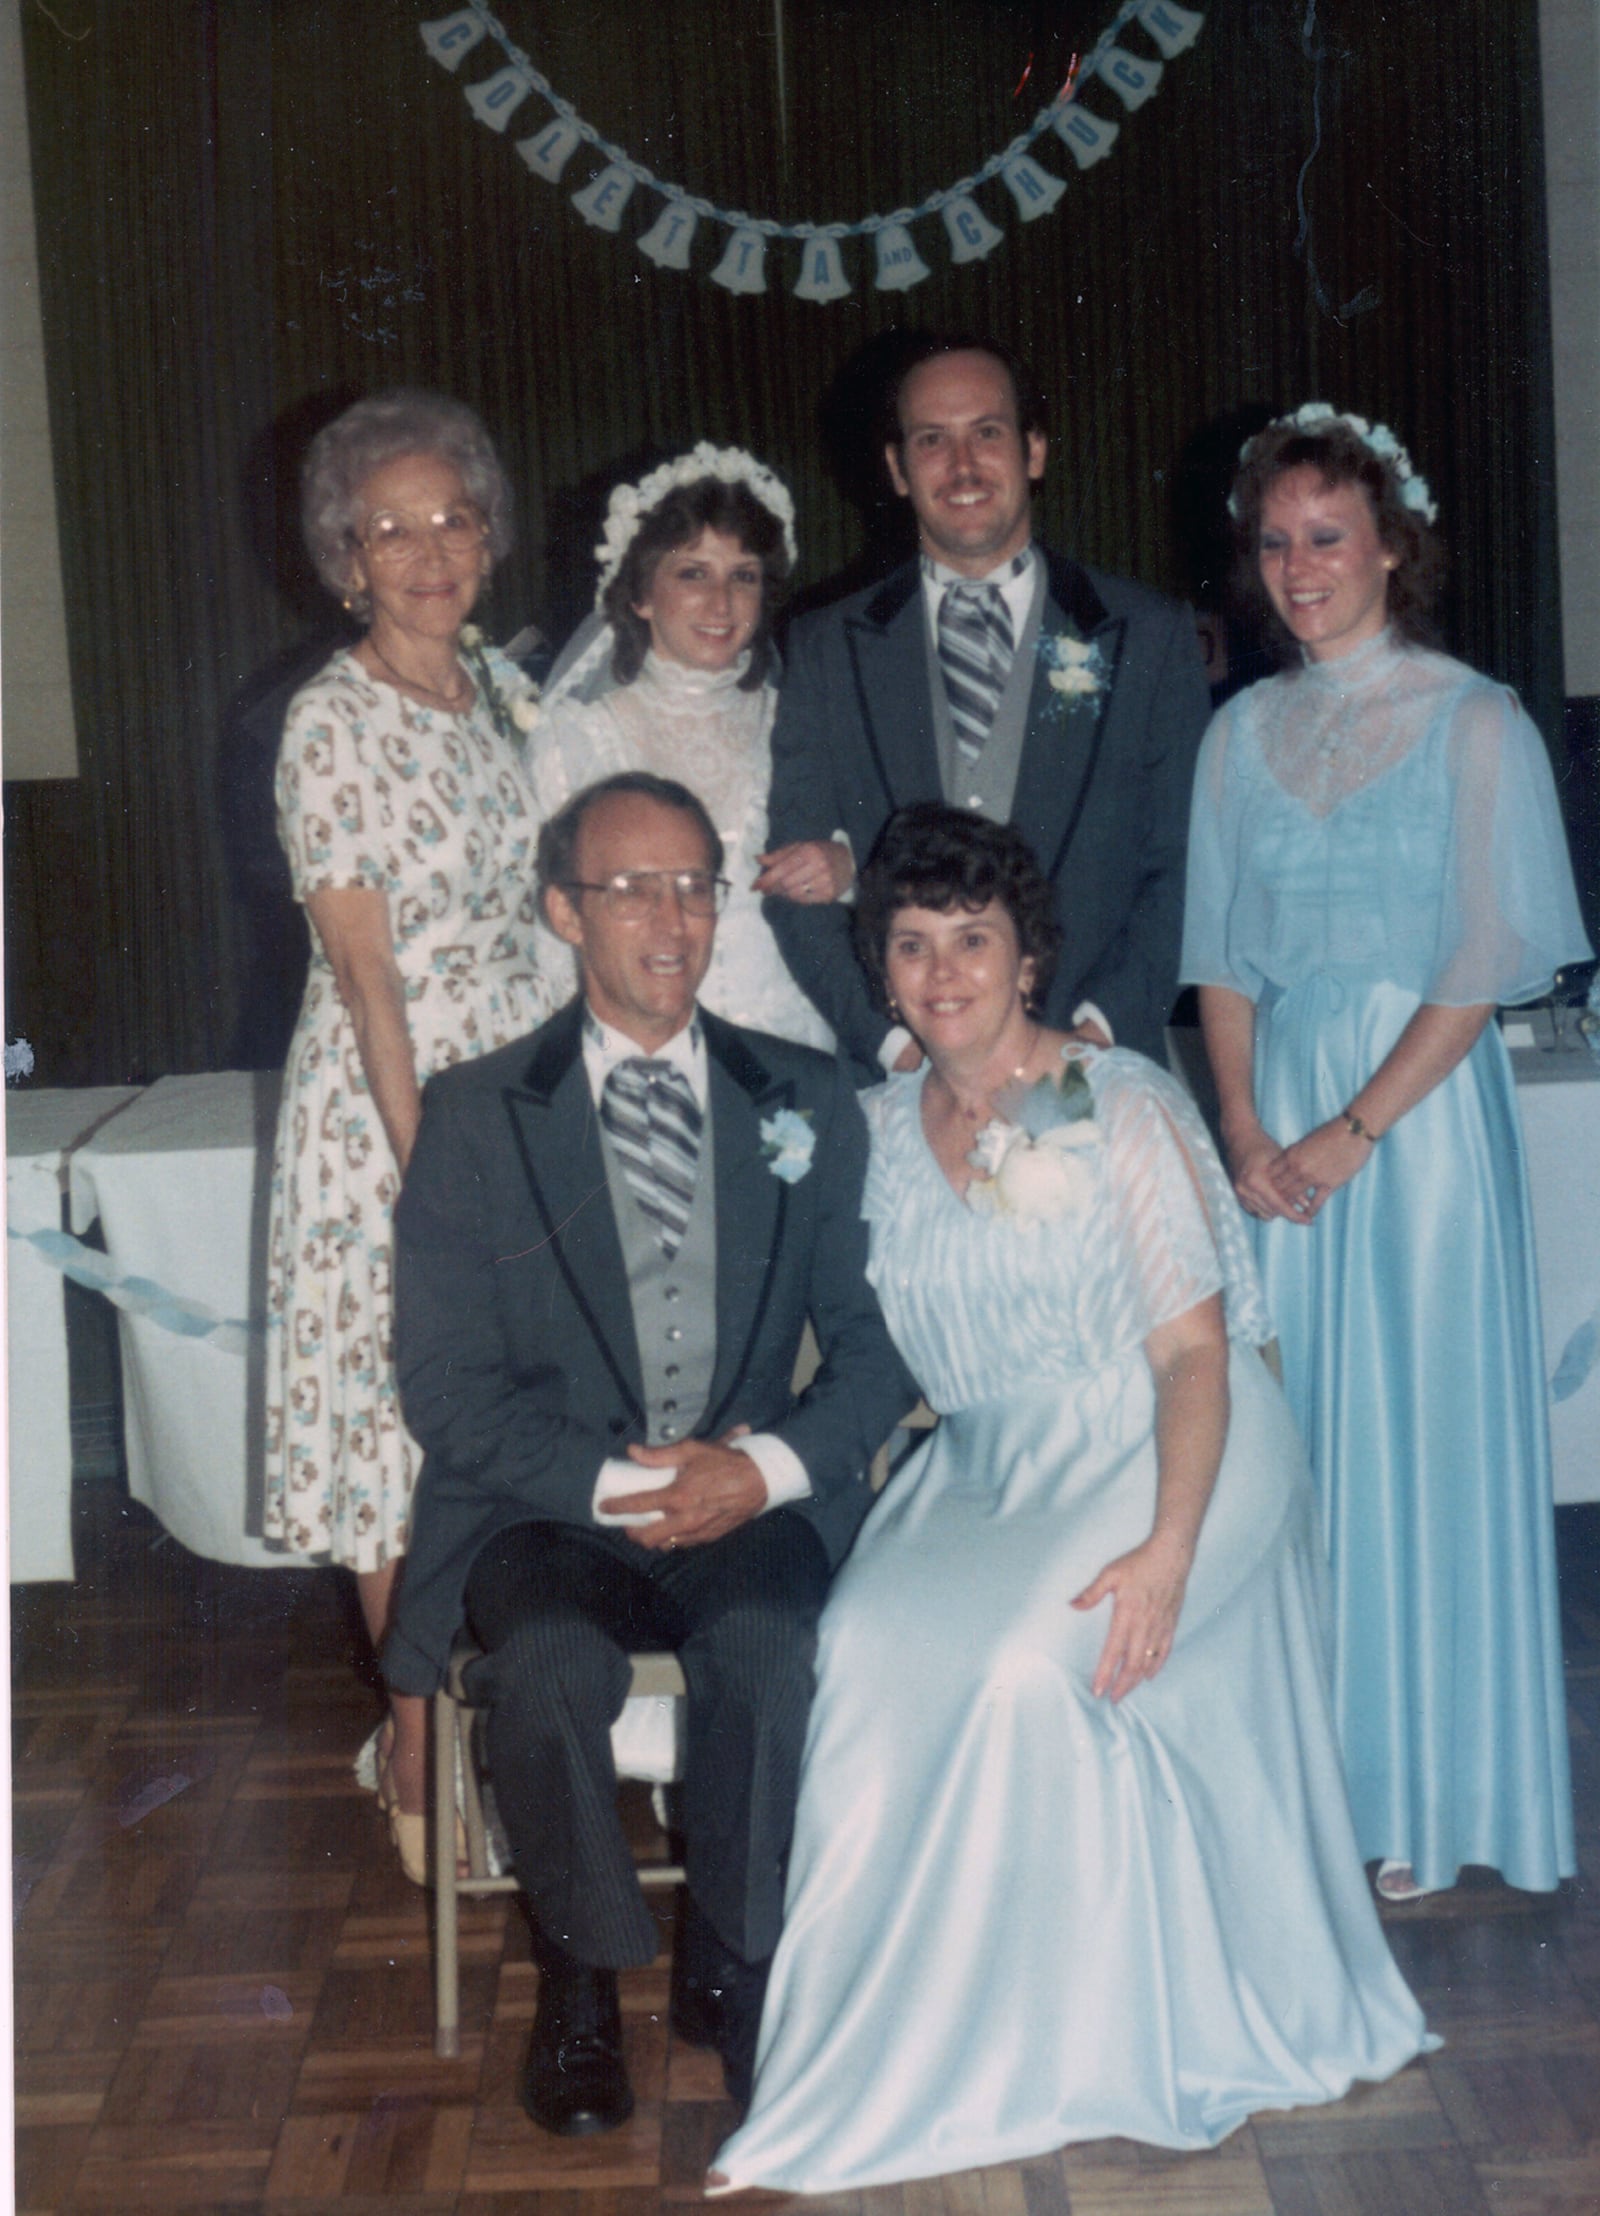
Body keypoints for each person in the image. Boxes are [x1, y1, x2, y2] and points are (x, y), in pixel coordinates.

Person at [709, 805, 1433, 2194]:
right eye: (910, 945)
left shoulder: (1125, 1103)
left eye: (970, 940)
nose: (941, 972)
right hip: (983, 1469)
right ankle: (890, 2052)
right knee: (859, 1653)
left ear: (1027, 958)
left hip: (1177, 1450)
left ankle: (1063, 2041)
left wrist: (1168, 1551)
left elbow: (1194, 1352)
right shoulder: (863, 1127)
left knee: (1024, 1670)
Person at [385, 771, 917, 2136]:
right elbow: (449, 1390)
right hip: (544, 1516)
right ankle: (577, 1991)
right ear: (566, 909)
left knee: (763, 1651)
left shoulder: (804, 1095)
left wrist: (765, 1471)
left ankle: (733, 1973)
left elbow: (874, 1351)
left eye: (694, 884)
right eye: (630, 889)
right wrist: (627, 1485)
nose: (671, 921)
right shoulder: (478, 1112)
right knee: (550, 1667)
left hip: (751, 1508)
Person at [1181, 403, 1591, 1903]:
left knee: (1414, 1446)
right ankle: (1315, 1791)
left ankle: (1428, 1789)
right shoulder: (1237, 735)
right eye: (1277, 542)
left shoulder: (1476, 721)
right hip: (1276, 1123)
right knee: (1298, 1458)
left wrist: (1353, 1133)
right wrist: (1241, 1127)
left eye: (1328, 538)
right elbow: (1219, 959)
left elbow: (1482, 965)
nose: (1299, 568)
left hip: (1413, 1142)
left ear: (1392, 545)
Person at [263, 390, 553, 1884]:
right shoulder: (332, 721)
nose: (429, 552)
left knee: (493, 1432)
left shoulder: (499, 689)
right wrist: (440, 1172)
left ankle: (469, 1720)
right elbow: (370, 983)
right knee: (395, 1441)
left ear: (488, 538)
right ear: (346, 558)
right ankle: (419, 1754)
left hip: (509, 1091)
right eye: (393, 529)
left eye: (452, 520)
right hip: (396, 1125)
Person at [761, 336, 1211, 1070]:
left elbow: (1184, 866)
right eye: (932, 439)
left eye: (988, 433)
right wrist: (901, 1053)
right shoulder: (824, 647)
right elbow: (792, 882)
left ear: (1034, 450)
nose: (962, 465)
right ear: (897, 468)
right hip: (902, 1085)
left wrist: (1092, 1039)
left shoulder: (1148, 637)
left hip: (1092, 1069)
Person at [533, 445, 844, 1048]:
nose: (721, 603)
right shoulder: (574, 739)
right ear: (641, 595)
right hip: (637, 1047)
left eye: (743, 576)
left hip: (792, 1045)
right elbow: (553, 935)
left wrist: (846, 868)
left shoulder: (801, 721)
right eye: (692, 573)